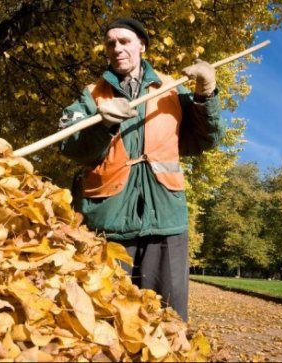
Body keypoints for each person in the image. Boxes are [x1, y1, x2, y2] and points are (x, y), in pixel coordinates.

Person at [59, 17, 225, 321]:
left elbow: (206, 139)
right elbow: (70, 146)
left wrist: (206, 94)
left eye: (125, 41)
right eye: (111, 43)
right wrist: (102, 124)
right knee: (105, 316)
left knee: (167, 318)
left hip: (165, 219)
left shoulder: (171, 90)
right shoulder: (91, 96)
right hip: (106, 220)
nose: (117, 48)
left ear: (142, 46)